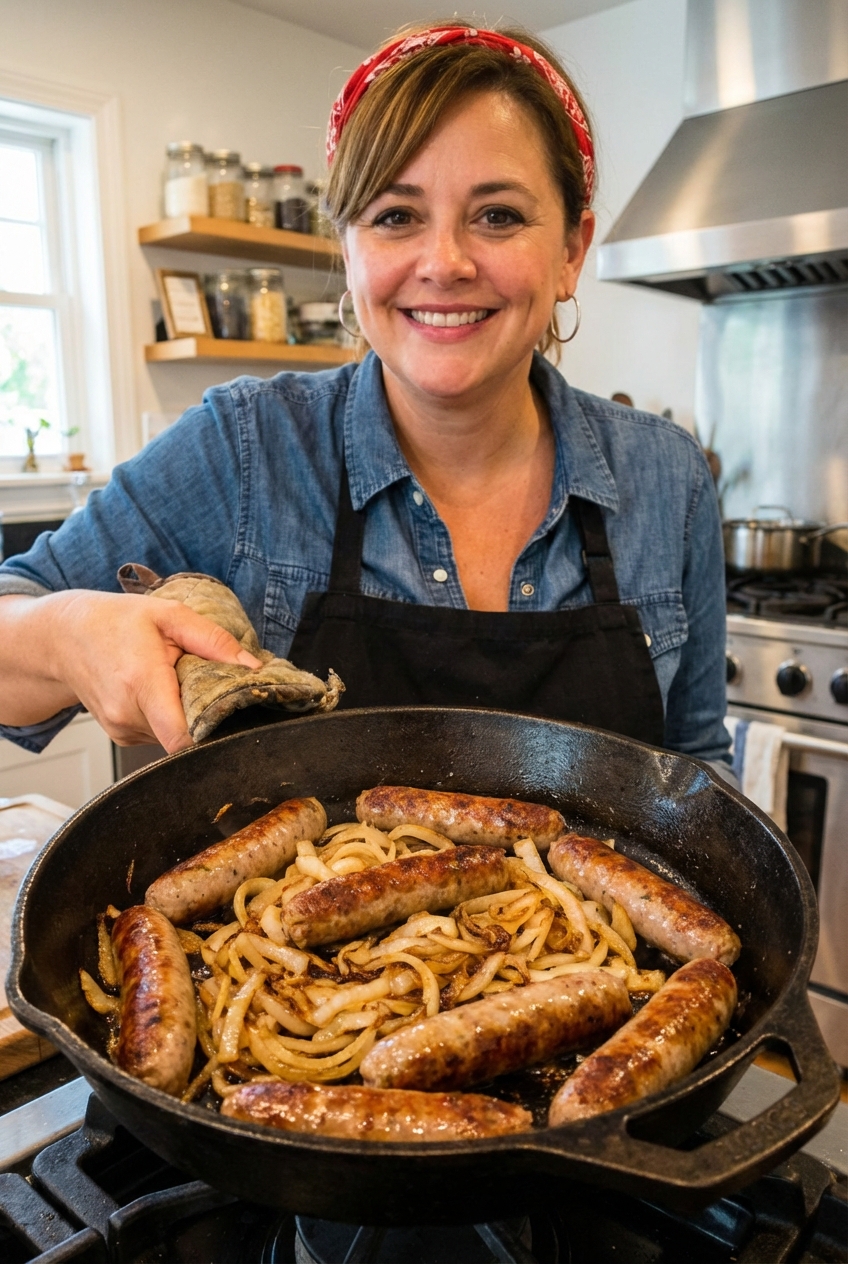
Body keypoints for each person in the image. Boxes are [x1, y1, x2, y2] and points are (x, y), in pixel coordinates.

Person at [0, 21, 732, 778]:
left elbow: (697, 768)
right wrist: (69, 633)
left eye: (498, 216)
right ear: (347, 248)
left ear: (572, 250)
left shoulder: (667, 476)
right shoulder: (248, 446)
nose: (444, 263)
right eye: (395, 217)